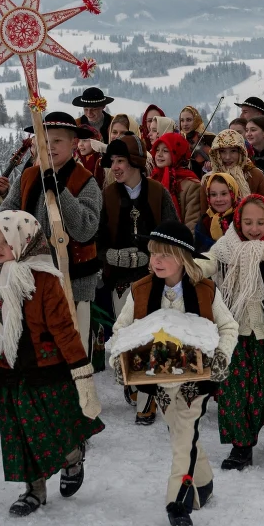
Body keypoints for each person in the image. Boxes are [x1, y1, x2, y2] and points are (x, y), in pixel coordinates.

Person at [0, 211, 104, 516]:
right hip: (9, 370)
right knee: (21, 434)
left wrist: (82, 377)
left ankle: (72, 456)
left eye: (4, 239)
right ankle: (34, 491)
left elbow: (64, 330)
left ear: (24, 240)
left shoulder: (44, 278)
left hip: (46, 371)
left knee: (56, 431)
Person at [109, 222, 239, 526]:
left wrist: (221, 355)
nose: (156, 260)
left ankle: (177, 503)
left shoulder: (205, 290)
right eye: (153, 254)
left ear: (182, 258)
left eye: (164, 255)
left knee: (183, 436)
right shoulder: (140, 290)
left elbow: (229, 327)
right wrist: (118, 358)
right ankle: (204, 482)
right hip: (159, 383)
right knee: (182, 434)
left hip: (196, 380)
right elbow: (120, 330)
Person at [202, 194, 264, 469]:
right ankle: (241, 445)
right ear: (238, 222)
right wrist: (194, 266)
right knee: (234, 387)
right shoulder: (225, 248)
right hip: (234, 330)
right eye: (247, 222)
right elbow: (209, 262)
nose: (254, 229)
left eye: (260, 222)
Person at [0, 111, 103, 354]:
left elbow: (86, 228)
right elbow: (5, 216)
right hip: (32, 279)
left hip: (74, 281)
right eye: (44, 140)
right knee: (40, 350)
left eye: (57, 141)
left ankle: (80, 391)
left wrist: (59, 191)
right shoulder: (27, 176)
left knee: (74, 349)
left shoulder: (86, 182)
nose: (50, 146)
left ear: (74, 144)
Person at [100, 136, 179, 425]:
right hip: (120, 282)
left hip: (154, 277)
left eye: (120, 161)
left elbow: (174, 235)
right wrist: (112, 256)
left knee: (152, 337)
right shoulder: (107, 195)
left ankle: (146, 400)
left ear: (134, 161)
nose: (115, 167)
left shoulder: (158, 193)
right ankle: (135, 384)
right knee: (127, 337)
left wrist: (153, 258)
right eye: (113, 162)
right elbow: (97, 241)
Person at [150, 132, 202, 226]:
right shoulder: (151, 180)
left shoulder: (192, 185)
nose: (159, 154)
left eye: (165, 151)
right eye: (157, 150)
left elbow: (192, 222)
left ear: (177, 153)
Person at [205, 128, 264, 199]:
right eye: (222, 151)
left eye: (233, 151)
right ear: (216, 153)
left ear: (241, 152)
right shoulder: (208, 179)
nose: (228, 157)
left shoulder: (254, 175)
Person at [195, 171, 240, 254]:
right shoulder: (204, 222)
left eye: (224, 194)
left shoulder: (241, 219)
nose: (218, 199)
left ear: (233, 194)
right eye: (213, 194)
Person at [179, 105, 208, 175]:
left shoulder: (208, 138)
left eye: (188, 120)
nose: (185, 124)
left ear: (196, 120)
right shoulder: (178, 140)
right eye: (182, 120)